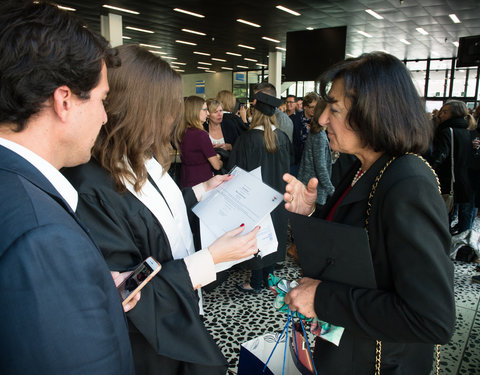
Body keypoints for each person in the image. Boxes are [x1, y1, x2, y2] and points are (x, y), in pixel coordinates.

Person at [63, 44, 260, 375]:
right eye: (168, 108)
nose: (172, 118)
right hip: (149, 339)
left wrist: (200, 191)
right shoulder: (90, 185)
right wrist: (209, 259)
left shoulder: (141, 156)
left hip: (180, 307)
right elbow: (129, 291)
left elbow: (148, 215)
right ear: (138, 108)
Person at [283, 52, 455, 374]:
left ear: (371, 113)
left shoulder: (407, 183)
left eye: (333, 109)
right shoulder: (365, 167)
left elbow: (431, 318)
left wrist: (322, 299)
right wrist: (309, 215)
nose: (322, 120)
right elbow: (357, 251)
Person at [0, 2, 137, 373]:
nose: (105, 116)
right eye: (101, 99)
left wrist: (87, 290)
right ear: (64, 101)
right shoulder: (45, 238)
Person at [228, 92, 292, 293]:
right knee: (273, 237)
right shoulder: (281, 137)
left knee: (258, 237)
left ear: (254, 113)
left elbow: (235, 171)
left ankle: (255, 282)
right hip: (278, 198)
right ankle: (269, 279)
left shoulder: (247, 139)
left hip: (255, 199)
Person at [428, 100, 476, 234]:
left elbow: (440, 156)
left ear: (454, 114)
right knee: (462, 214)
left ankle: (444, 244)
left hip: (448, 180)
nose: (440, 115)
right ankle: (461, 245)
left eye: (445, 112)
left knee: (444, 216)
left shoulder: (447, 131)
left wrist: (427, 166)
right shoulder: (466, 130)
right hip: (462, 179)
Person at [177, 96, 223, 187]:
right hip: (202, 183)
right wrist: (219, 158)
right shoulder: (201, 135)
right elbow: (217, 166)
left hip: (186, 180)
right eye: (205, 110)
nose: (208, 113)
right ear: (196, 112)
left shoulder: (181, 132)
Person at [297, 100, 334, 205]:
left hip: (308, 185)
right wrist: (331, 190)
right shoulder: (319, 135)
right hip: (314, 190)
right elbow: (320, 167)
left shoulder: (316, 132)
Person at [204, 98, 240, 169]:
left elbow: (239, 147)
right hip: (208, 168)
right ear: (208, 114)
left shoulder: (229, 126)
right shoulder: (203, 128)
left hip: (228, 166)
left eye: (221, 111)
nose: (219, 114)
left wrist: (230, 147)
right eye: (215, 112)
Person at [291, 92, 319, 176]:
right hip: (296, 161)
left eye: (316, 107)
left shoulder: (319, 121)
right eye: (311, 107)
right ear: (305, 107)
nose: (314, 110)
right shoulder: (293, 119)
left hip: (312, 163)